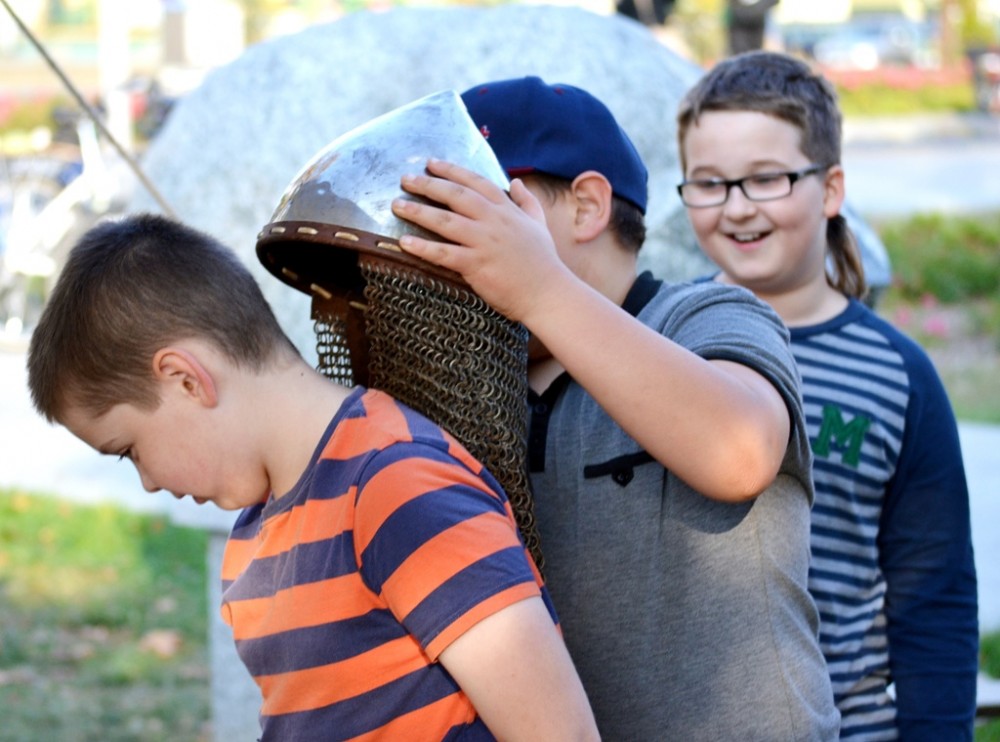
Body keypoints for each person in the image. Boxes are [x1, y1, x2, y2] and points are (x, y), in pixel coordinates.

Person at [25, 214, 600, 741]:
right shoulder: (255, 534)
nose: (148, 482)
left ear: (185, 379)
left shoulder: (396, 485)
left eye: (129, 451)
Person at [390, 75, 839, 740]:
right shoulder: (473, 380)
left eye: (481, 214)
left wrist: (538, 288)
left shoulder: (705, 317)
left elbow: (740, 454)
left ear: (587, 206)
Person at [675, 50, 979, 739]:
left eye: (766, 179)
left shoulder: (899, 375)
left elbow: (935, 596)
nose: (737, 208)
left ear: (831, 188)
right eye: (710, 183)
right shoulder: (655, 346)